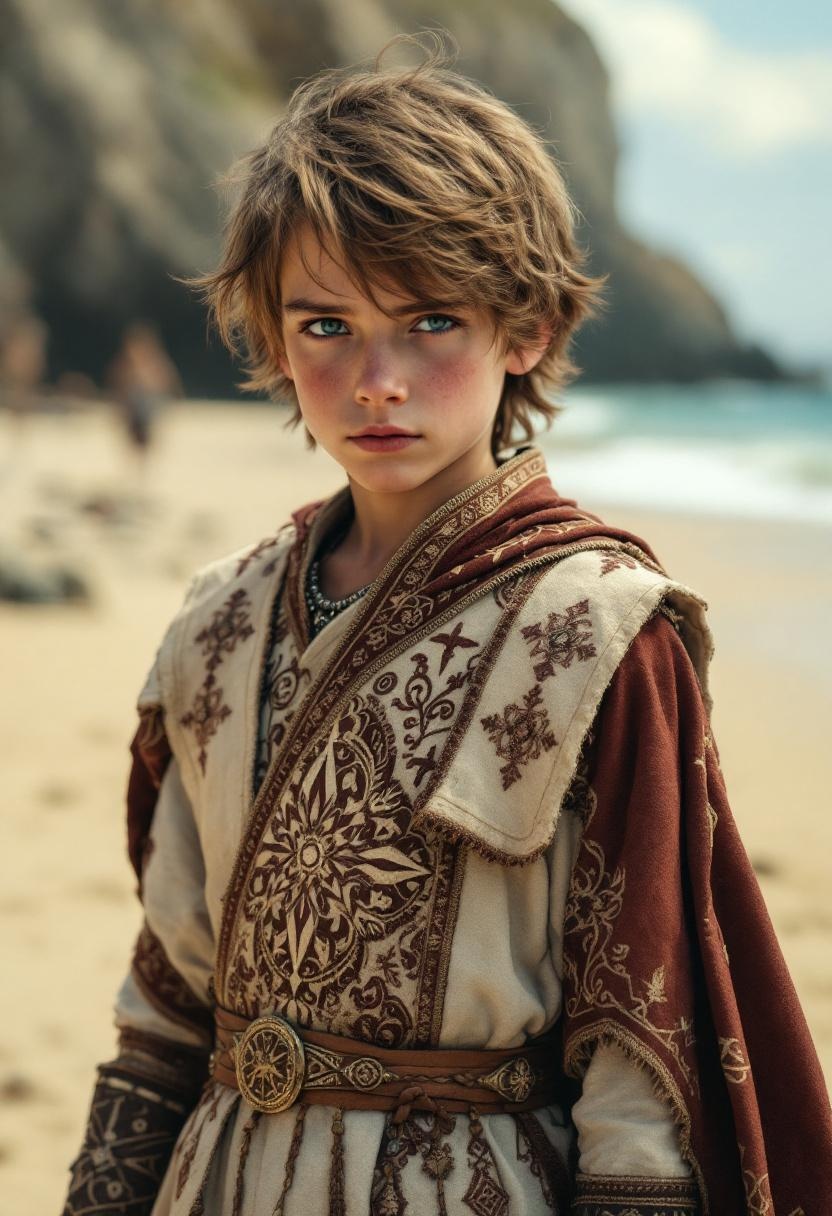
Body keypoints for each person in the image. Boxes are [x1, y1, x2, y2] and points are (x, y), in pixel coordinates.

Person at [61, 37, 832, 1216]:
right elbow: (165, 1001)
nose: (377, 378)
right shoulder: (216, 624)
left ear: (523, 331)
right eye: (325, 325)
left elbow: (637, 1069)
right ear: (270, 336)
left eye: (431, 321)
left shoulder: (598, 629)